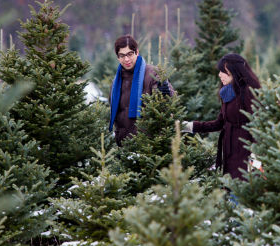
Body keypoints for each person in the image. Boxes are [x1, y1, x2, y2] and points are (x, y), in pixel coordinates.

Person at [183, 53, 261, 181]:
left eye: (223, 71)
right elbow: (219, 123)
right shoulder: (228, 94)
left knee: (238, 193)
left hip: (245, 155)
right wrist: (187, 126)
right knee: (230, 191)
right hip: (229, 154)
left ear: (234, 72)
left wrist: (255, 159)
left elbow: (258, 125)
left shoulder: (248, 93)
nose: (219, 75)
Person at [108, 34, 172, 145]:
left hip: (148, 145)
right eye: (122, 55)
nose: (126, 59)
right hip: (124, 145)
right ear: (118, 57)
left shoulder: (152, 74)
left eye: (130, 54)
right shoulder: (116, 83)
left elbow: (168, 99)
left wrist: (165, 93)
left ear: (137, 52)